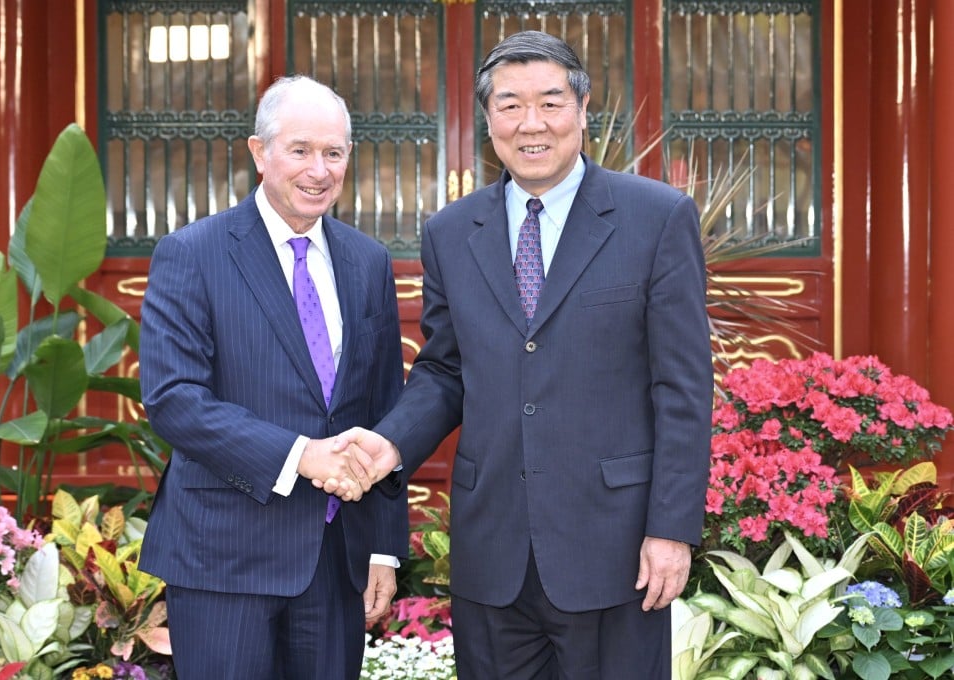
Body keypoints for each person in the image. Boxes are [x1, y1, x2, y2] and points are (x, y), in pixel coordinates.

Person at [336, 30, 713, 679]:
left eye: (550, 103)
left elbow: (681, 388)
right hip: (493, 552)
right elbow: (446, 369)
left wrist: (671, 529)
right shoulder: (451, 232)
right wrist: (390, 444)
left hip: (616, 549)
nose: (530, 124)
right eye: (510, 105)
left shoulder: (657, 219)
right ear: (488, 120)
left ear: (583, 111)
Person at [137, 74, 408, 680]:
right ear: (260, 153)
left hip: (338, 560)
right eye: (301, 150)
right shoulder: (193, 252)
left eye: (334, 153)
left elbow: (386, 408)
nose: (319, 169)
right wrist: (300, 456)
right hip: (224, 558)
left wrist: (384, 549)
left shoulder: (367, 262)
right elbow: (174, 399)